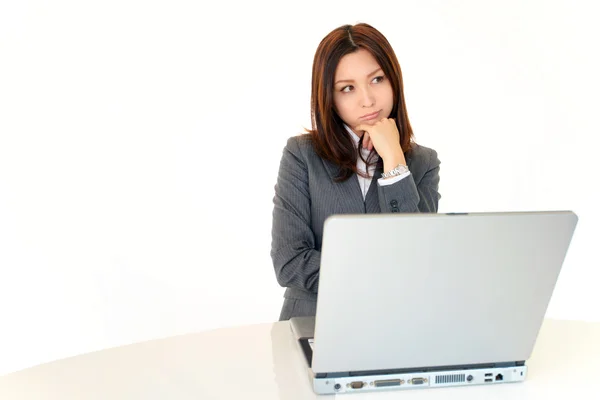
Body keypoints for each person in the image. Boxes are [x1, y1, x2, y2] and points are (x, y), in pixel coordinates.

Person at [271, 23, 441, 321]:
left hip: (394, 325)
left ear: (394, 81)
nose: (368, 100)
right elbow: (290, 262)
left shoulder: (423, 162)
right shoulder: (302, 155)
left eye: (377, 79)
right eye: (347, 88)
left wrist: (395, 164)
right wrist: (380, 279)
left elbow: (416, 260)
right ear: (329, 98)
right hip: (314, 322)